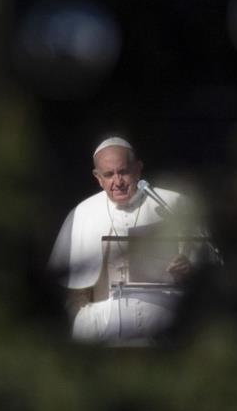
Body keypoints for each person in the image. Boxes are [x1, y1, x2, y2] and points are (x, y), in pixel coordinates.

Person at [49, 136, 197, 342]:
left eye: (124, 172)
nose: (117, 182)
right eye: (109, 175)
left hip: (166, 322)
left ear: (138, 169)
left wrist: (190, 268)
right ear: (98, 177)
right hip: (103, 326)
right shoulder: (82, 213)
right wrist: (82, 320)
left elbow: (207, 270)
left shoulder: (174, 203)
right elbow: (70, 289)